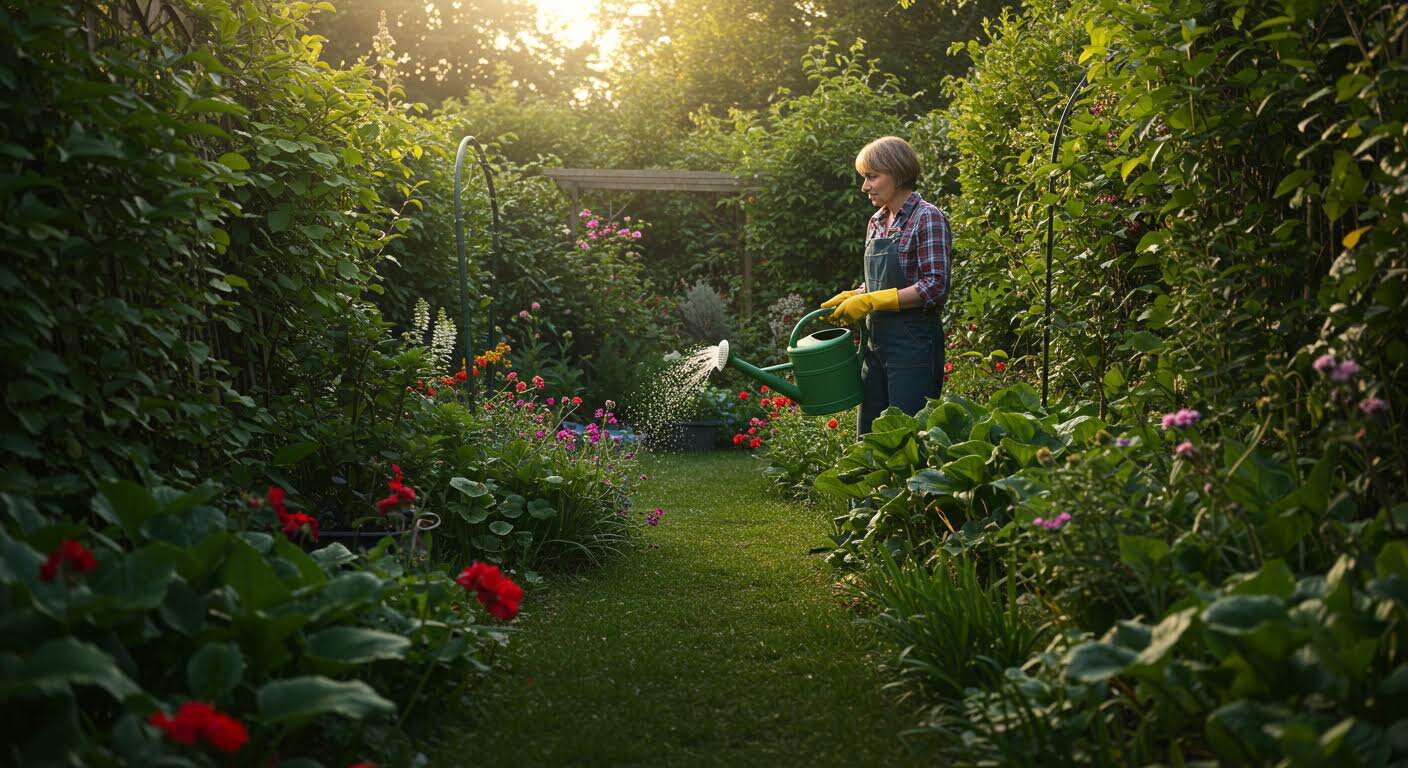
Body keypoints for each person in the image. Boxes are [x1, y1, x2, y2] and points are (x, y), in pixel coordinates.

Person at [822, 135, 952, 437]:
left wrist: (871, 301)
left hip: (914, 347)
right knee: (869, 436)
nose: (865, 186)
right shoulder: (877, 221)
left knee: (906, 436)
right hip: (875, 344)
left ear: (896, 173)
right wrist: (856, 295)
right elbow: (881, 281)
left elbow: (934, 286)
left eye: (871, 177)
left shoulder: (927, 218)